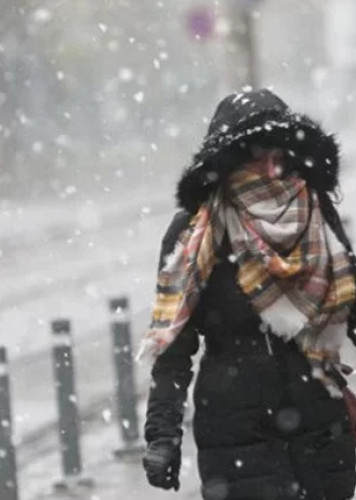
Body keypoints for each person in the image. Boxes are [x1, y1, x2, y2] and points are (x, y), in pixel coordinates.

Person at [139, 89, 356, 500]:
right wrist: (162, 434)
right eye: (258, 158)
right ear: (229, 164)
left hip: (320, 427)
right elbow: (174, 346)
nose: (273, 170)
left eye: (281, 157)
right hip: (236, 434)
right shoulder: (196, 234)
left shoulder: (315, 212)